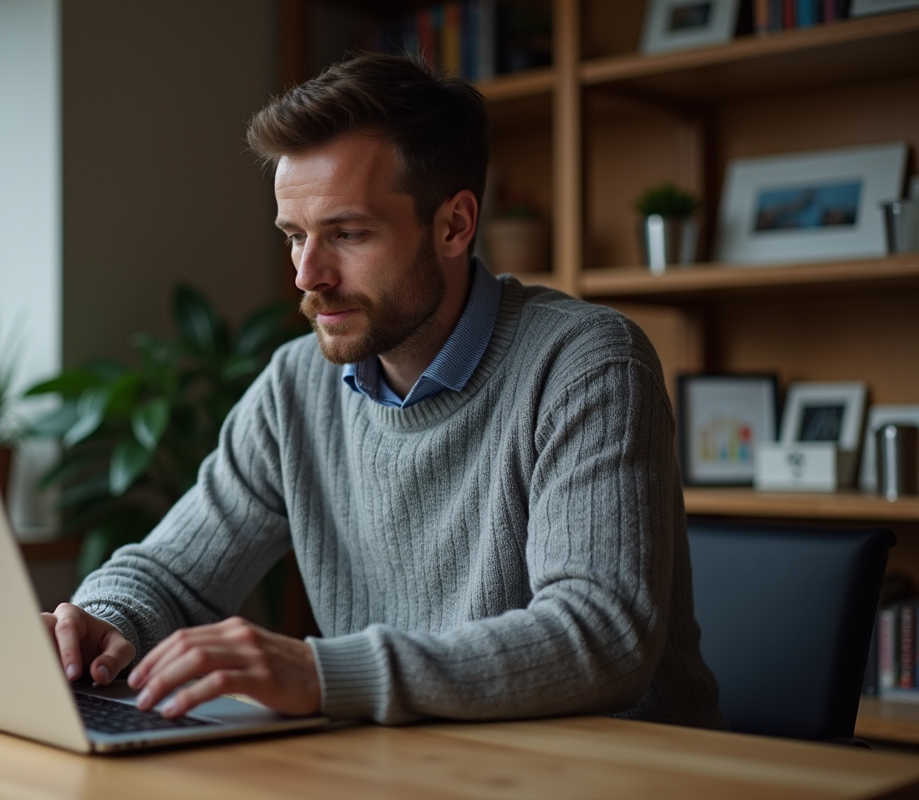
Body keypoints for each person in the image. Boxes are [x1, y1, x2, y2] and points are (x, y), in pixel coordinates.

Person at [43, 53, 725, 729]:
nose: (308, 274)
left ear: (455, 225)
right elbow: (172, 573)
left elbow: (601, 638)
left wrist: (322, 673)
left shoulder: (584, 363)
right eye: (294, 236)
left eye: (347, 234)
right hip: (407, 769)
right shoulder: (296, 385)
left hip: (610, 772)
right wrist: (102, 620)